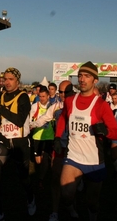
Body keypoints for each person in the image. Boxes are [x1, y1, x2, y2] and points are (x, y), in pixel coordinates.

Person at [55, 61, 117, 220]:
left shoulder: (101, 105)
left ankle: (93, 216)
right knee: (66, 194)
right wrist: (58, 137)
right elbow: (63, 118)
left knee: (92, 202)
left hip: (94, 160)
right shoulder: (70, 101)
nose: (82, 79)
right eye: (80, 76)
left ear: (95, 80)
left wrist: (105, 131)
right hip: (74, 157)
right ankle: (73, 211)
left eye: (87, 76)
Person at [0, 67, 36, 221]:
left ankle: (30, 198)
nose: (7, 82)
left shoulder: (23, 97)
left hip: (20, 141)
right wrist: (0, 125)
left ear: (17, 81)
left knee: (23, 178)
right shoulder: (3, 96)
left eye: (10, 79)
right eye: (5, 79)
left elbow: (19, 120)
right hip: (5, 139)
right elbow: (5, 118)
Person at [30, 80, 74, 221]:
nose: (62, 95)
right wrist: (31, 125)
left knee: (71, 185)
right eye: (60, 92)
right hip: (60, 147)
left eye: (65, 92)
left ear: (72, 91)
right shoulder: (55, 107)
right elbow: (44, 118)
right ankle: (54, 212)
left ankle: (70, 205)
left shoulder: (78, 105)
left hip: (76, 149)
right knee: (55, 178)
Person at [29, 86, 54, 189]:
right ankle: (39, 174)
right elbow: (30, 120)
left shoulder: (52, 106)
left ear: (48, 96)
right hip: (37, 136)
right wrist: (32, 125)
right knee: (38, 160)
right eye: (40, 96)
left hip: (49, 136)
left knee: (45, 159)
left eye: (44, 96)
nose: (42, 98)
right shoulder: (34, 106)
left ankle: (41, 179)